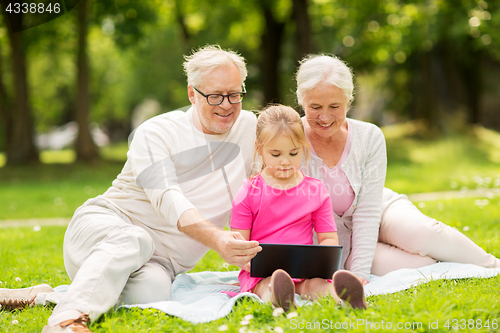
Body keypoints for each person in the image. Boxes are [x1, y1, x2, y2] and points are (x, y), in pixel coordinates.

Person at [0, 45, 262, 332]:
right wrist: (217, 239)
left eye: (235, 94)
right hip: (104, 228)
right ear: (191, 94)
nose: (226, 105)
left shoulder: (251, 129)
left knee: (151, 295)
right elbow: (168, 199)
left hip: (160, 265)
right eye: (214, 96)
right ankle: (68, 320)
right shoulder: (155, 133)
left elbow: (290, 152)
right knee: (134, 238)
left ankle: (46, 295)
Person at [296, 54, 500, 285]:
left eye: (335, 106)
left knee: (425, 234)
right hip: (339, 242)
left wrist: (361, 272)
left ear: (349, 101)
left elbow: (368, 211)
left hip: (379, 211)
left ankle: (492, 266)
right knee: (421, 267)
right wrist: (354, 266)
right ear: (301, 101)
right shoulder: (290, 141)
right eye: (315, 107)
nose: (324, 116)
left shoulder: (369, 136)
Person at [230, 104, 366, 311]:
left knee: (315, 284)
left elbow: (328, 238)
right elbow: (238, 245)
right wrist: (250, 264)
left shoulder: (316, 190)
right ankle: (278, 297)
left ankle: (344, 298)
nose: (285, 162)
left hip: (303, 270)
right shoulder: (248, 191)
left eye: (293, 153)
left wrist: (322, 262)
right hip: (261, 273)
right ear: (259, 149)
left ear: (303, 147)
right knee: (268, 284)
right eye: (276, 154)